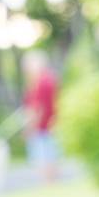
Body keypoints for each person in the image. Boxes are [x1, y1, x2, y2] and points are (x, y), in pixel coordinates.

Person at [22, 52, 61, 183]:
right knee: (49, 156)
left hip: (43, 127)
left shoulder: (42, 82)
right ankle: (50, 182)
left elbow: (38, 109)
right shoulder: (48, 79)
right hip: (49, 125)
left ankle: (48, 183)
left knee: (44, 157)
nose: (26, 70)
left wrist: (30, 128)